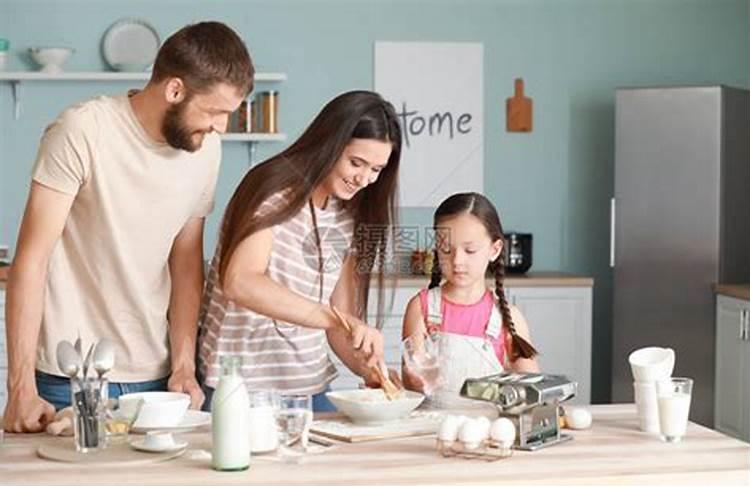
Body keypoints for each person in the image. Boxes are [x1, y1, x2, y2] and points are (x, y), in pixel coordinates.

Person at [3, 21, 254, 433]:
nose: (221, 127)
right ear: (175, 90)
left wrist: (183, 365)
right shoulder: (82, 131)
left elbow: (187, 262)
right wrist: (20, 389)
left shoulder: (205, 150)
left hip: (157, 377)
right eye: (215, 111)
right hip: (71, 376)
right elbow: (31, 260)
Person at [198, 90, 402, 412]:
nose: (363, 179)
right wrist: (333, 319)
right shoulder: (271, 190)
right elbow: (241, 281)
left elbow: (340, 323)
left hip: (309, 388)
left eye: (376, 170)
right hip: (241, 388)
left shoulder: (348, 215)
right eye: (356, 163)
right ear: (329, 144)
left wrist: (368, 369)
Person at [401, 192, 539, 408]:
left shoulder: (509, 319)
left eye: (470, 250)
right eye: (446, 249)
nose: (457, 260)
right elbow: (411, 385)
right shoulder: (421, 308)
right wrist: (415, 379)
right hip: (430, 435)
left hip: (487, 434)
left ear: (495, 250)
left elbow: (532, 392)